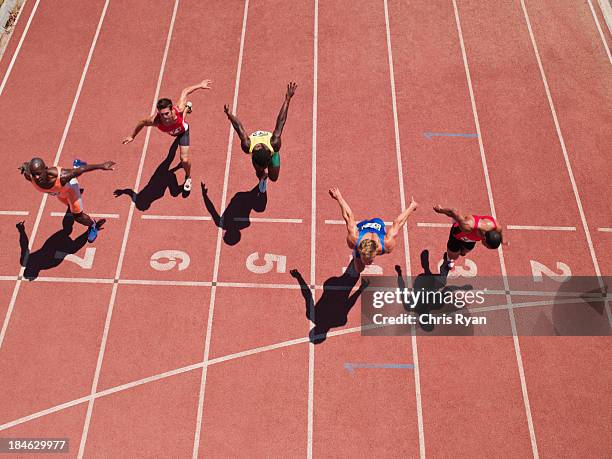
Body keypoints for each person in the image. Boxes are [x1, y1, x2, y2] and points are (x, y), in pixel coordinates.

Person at [122, 79, 212, 192]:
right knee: (169, 156)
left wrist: (200, 85)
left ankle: (188, 177)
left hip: (183, 132)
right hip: (173, 131)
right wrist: (132, 136)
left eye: (166, 113)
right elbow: (142, 122)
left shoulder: (178, 108)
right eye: (161, 114)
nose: (164, 117)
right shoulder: (156, 121)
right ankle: (188, 108)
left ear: (171, 109)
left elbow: (185, 91)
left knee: (183, 159)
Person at [224, 82, 297, 193]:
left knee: (274, 178)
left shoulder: (271, 144)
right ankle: (262, 178)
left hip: (270, 156)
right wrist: (229, 115)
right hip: (262, 159)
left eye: (256, 148)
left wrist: (287, 100)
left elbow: (281, 121)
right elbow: (239, 127)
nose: (256, 146)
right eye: (256, 148)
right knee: (259, 171)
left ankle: (266, 176)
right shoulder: (254, 146)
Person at [19, 157, 115, 242]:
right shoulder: (30, 176)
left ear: (45, 169)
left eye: (39, 174)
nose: (36, 177)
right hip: (60, 193)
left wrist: (101, 166)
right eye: (34, 174)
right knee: (69, 208)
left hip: (71, 190)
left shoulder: (61, 177)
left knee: (78, 217)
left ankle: (93, 225)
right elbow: (26, 166)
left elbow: (81, 170)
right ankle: (76, 166)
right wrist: (21, 231)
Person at [329, 186, 418, 276]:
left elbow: (398, 223)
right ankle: (356, 256)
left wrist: (411, 207)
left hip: (378, 223)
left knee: (359, 268)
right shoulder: (354, 238)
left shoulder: (387, 243)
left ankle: (357, 257)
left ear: (376, 252)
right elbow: (348, 216)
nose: (368, 263)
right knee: (359, 269)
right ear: (360, 250)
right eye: (365, 259)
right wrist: (339, 197)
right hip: (362, 227)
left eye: (371, 260)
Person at [433, 204, 506, 269]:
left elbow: (500, 231)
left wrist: (502, 240)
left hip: (471, 239)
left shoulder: (496, 227)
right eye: (487, 246)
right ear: (484, 238)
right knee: (454, 256)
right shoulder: (468, 226)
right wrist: (440, 210)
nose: (485, 247)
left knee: (464, 252)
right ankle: (449, 258)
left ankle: (459, 251)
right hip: (458, 235)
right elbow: (454, 212)